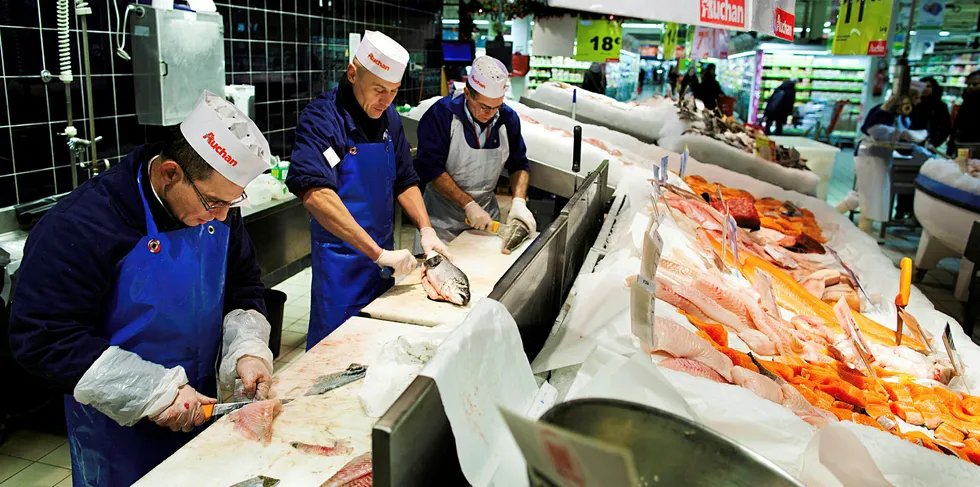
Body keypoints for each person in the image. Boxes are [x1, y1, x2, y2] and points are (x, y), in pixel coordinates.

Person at [8, 91, 276, 486]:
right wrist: (151, 391)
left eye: (231, 205)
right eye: (213, 202)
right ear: (170, 173)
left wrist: (247, 350)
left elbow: (243, 286)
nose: (220, 218)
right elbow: (42, 336)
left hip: (203, 407)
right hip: (120, 429)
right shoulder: (81, 224)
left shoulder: (218, 212)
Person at [287, 31, 451, 349]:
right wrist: (376, 252)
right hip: (340, 269)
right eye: (378, 89)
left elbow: (405, 179)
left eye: (393, 91)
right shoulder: (322, 118)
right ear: (353, 74)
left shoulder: (389, 116)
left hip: (382, 267)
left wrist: (426, 228)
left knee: (375, 351)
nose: (386, 100)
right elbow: (314, 192)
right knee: (332, 355)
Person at [413, 56, 536, 251]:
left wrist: (519, 201)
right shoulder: (442, 115)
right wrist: (468, 204)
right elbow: (430, 169)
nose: (491, 113)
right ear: (468, 93)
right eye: (485, 107)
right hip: (440, 222)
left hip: (486, 219)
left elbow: (519, 164)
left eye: (497, 107)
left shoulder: (508, 118)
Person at [847, 91, 924, 234]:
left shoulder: (901, 116)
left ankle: (829, 216)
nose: (919, 101)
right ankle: (865, 238)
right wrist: (901, 134)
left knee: (862, 196)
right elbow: (871, 129)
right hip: (869, 157)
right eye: (916, 97)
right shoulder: (882, 112)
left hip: (880, 158)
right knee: (870, 202)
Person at [910, 76, 951, 148]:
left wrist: (935, 143)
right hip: (910, 141)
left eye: (928, 86)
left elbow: (945, 128)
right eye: (923, 86)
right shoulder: (911, 104)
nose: (925, 89)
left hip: (929, 143)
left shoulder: (940, 106)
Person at [948, 71, 980, 157]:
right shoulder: (966, 102)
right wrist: (951, 146)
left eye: (975, 84)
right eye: (968, 84)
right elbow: (957, 125)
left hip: (977, 148)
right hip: (963, 145)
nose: (970, 87)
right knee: (962, 167)